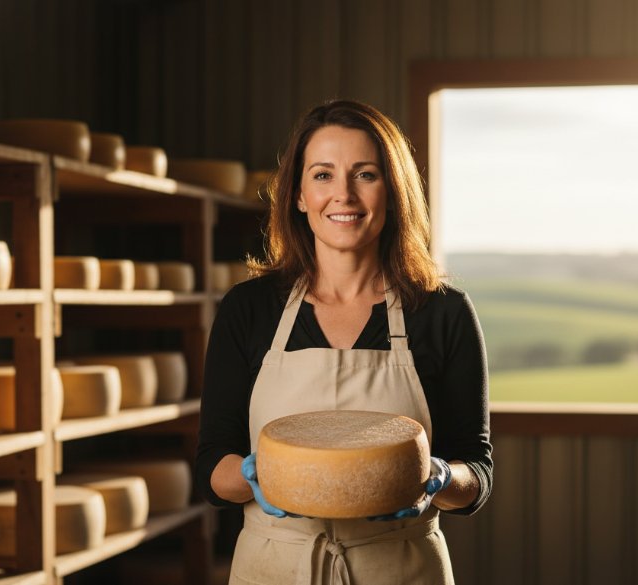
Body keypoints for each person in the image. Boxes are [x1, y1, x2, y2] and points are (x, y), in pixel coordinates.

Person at [196, 99, 492, 584]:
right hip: (274, 568)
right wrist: (252, 475)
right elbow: (213, 463)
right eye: (323, 175)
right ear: (296, 195)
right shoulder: (249, 310)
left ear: (393, 192)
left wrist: (436, 477)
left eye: (365, 174)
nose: (344, 195)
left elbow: (476, 473)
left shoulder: (443, 312)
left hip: (401, 568)